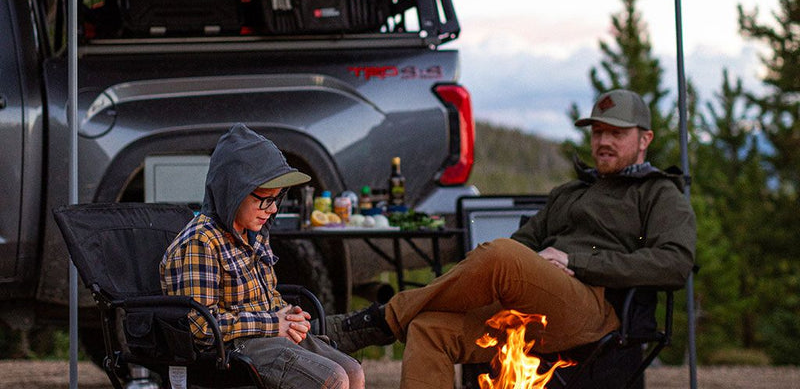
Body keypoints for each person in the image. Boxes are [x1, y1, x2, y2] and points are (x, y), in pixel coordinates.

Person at [326, 89, 696, 389]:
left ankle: (380, 321)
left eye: (616, 133)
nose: (603, 142)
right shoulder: (570, 193)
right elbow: (523, 244)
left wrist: (576, 262)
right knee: (430, 330)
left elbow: (674, 263)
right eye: (598, 132)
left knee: (500, 254)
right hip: (534, 308)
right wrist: (533, 269)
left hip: (595, 308)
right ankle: (390, 321)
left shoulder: (658, 193)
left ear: (645, 139)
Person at [161, 123, 364, 389]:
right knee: (332, 379)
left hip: (269, 336)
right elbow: (200, 326)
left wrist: (289, 316)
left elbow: (267, 297)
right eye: (264, 199)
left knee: (353, 371)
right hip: (232, 348)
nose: (272, 209)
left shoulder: (254, 234)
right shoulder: (202, 242)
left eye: (277, 199)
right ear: (233, 192)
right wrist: (272, 323)